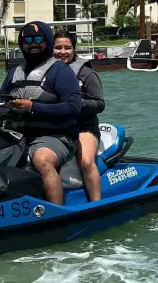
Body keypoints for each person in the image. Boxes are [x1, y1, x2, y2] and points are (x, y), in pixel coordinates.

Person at [0, 21, 82, 206]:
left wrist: (33, 107)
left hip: (58, 136)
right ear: (22, 44)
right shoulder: (14, 73)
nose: (33, 44)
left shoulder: (61, 71)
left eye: (38, 39)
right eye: (28, 40)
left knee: (41, 159)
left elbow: (73, 107)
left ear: (47, 42)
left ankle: (57, 212)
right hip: (19, 134)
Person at [53, 29, 105, 202]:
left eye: (67, 48)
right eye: (58, 47)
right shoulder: (45, 71)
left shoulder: (86, 73)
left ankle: (96, 204)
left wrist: (73, 104)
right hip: (54, 127)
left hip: (83, 128)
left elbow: (99, 104)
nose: (62, 52)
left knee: (86, 162)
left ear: (73, 49)